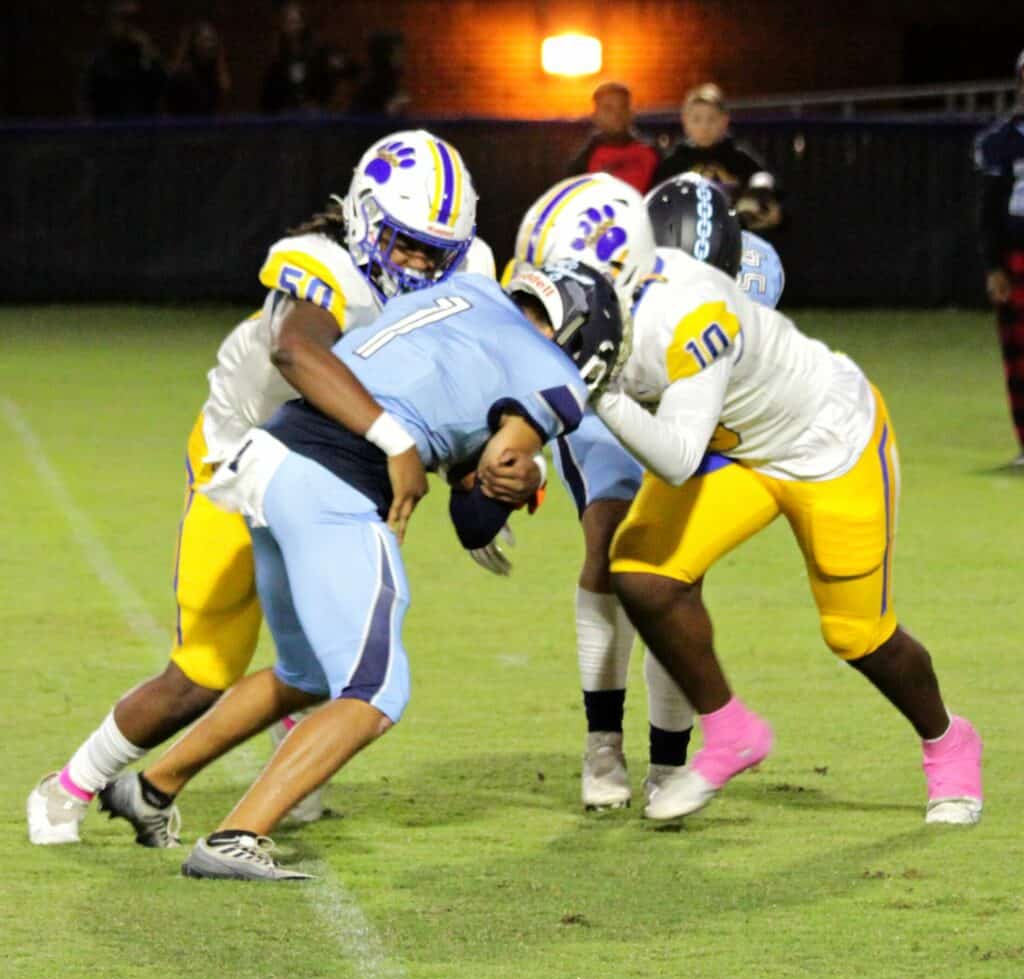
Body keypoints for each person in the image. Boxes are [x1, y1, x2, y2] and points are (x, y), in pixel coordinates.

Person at [26, 129, 491, 847]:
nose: (422, 265)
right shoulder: (319, 262)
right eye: (406, 244)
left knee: (328, 664)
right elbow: (296, 349)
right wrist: (397, 441)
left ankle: (285, 765)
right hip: (237, 465)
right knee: (203, 671)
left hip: (328, 473)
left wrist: (487, 467)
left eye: (438, 251)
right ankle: (71, 785)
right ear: (365, 218)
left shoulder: (462, 274)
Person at [506, 176, 984, 827]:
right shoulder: (599, 295)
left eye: (560, 282)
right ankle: (731, 732)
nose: (544, 302)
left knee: (857, 635)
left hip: (827, 446)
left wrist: (604, 396)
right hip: (737, 448)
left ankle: (948, 740)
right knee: (642, 574)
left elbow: (675, 455)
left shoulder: (693, 310)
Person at [164, 261, 610, 881]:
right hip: (335, 481)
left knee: (306, 671)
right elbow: (491, 485)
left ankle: (156, 785)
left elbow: (448, 429)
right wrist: (518, 477)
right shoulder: (553, 369)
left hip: (270, 455)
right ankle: (238, 834)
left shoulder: (463, 290)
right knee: (376, 691)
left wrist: (479, 474)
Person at [483, 173, 785, 812]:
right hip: (605, 404)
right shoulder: (579, 255)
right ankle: (603, 744)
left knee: (674, 579)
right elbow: (525, 356)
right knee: (608, 542)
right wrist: (489, 461)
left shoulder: (749, 282)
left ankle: (671, 761)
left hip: (684, 415)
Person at [973, 49, 1024, 467]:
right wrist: (993, 266)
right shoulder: (1002, 141)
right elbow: (989, 211)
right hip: (1018, 255)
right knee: (1019, 357)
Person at [655, 83, 782, 233]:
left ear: (725, 121)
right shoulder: (673, 163)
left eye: (712, 119)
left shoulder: (740, 158)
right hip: (686, 234)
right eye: (697, 119)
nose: (704, 126)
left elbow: (765, 183)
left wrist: (759, 193)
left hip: (735, 235)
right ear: (685, 122)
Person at [260, 1, 354, 114]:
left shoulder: (319, 52)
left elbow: (347, 70)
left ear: (303, 23)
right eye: (287, 22)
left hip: (317, 116)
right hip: (288, 118)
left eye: (295, 22)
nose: (292, 27)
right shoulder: (278, 58)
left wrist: (324, 104)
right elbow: (270, 95)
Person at [568, 82, 661, 195]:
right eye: (608, 109)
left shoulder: (652, 154)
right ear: (595, 116)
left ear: (631, 113)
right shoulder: (582, 163)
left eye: (623, 107)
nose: (617, 114)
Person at [82, 1, 165, 119]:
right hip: (109, 128)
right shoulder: (100, 59)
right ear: (112, 23)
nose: (128, 27)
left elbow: (161, 86)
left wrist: (148, 52)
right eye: (123, 20)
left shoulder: (146, 55)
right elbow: (88, 97)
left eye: (133, 21)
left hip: (144, 127)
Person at [164, 19, 231, 116]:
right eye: (205, 40)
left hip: (207, 126)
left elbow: (224, 90)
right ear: (193, 43)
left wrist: (220, 56)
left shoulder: (213, 72)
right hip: (183, 125)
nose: (210, 45)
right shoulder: (183, 73)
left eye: (213, 40)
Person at [349, 31, 409, 118]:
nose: (403, 56)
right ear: (388, 55)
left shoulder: (390, 81)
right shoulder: (375, 84)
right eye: (399, 51)